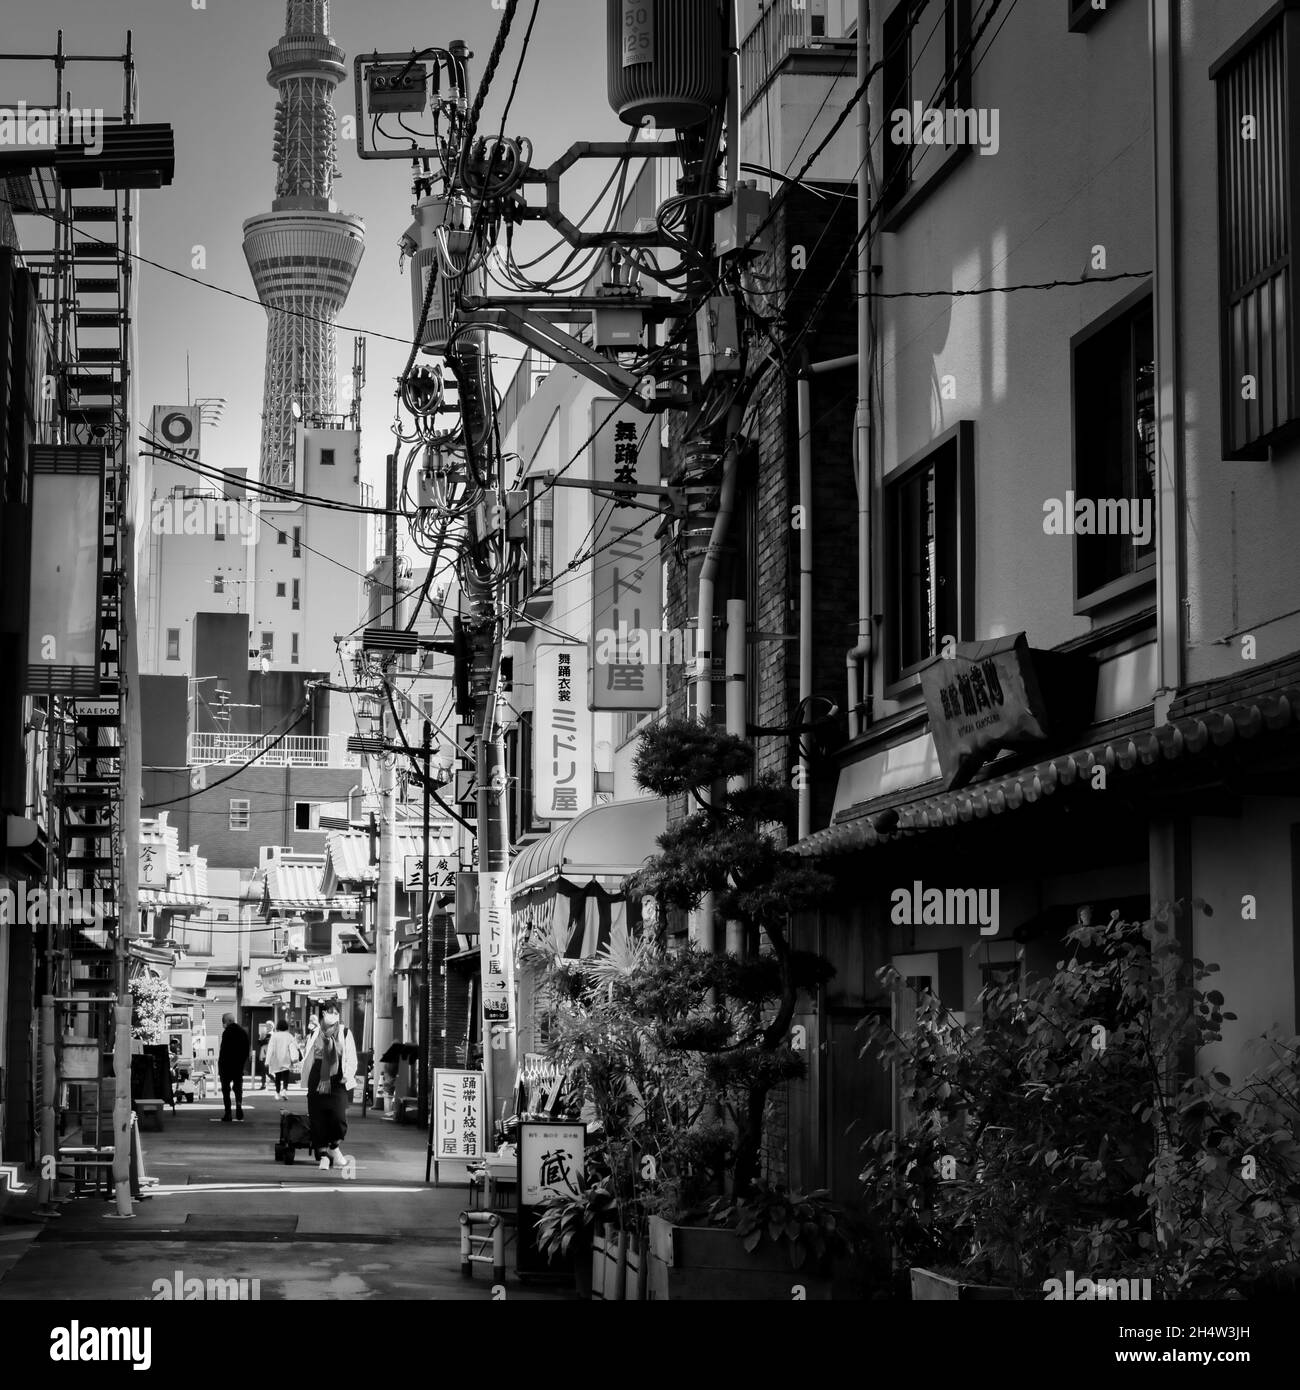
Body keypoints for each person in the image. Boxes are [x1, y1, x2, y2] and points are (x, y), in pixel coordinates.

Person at [297, 1003, 357, 1177]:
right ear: (323, 1013)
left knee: (339, 1117)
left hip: (338, 1077)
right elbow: (307, 1056)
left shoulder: (345, 1032)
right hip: (317, 1076)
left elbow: (351, 1056)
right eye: (331, 1012)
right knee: (318, 1118)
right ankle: (323, 1155)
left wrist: (349, 1074)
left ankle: (334, 1147)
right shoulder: (315, 1033)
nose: (334, 1015)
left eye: (337, 1012)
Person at [217, 1012, 251, 1122]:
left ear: (226, 1022)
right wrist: (241, 1062)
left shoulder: (227, 1032)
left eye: (223, 1023)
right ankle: (239, 1106)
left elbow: (224, 1050)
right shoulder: (243, 1032)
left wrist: (221, 1065)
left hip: (226, 1066)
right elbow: (246, 1050)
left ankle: (228, 1113)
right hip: (238, 1066)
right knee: (238, 1088)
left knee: (226, 1090)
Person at [265, 1019, 300, 1100]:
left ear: (277, 1026)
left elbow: (270, 1049)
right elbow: (296, 1046)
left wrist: (267, 1061)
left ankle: (277, 1093)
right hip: (286, 1058)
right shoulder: (289, 1035)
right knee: (285, 1076)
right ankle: (284, 1090)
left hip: (276, 1059)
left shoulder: (274, 1036)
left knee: (277, 1076)